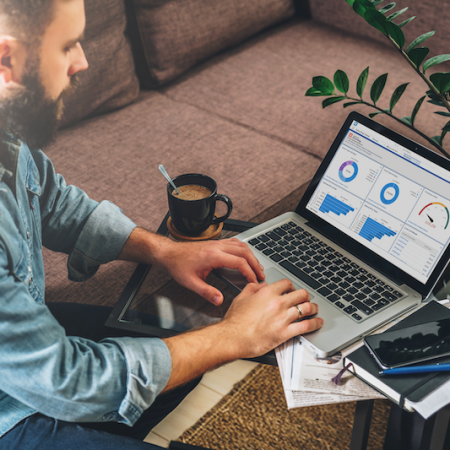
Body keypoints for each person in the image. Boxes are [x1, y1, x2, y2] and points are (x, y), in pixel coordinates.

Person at [0, 0, 324, 448]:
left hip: (23, 354)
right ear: (6, 60)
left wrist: (166, 250)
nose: (83, 62)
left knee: (180, 342)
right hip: (11, 412)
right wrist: (234, 336)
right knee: (202, 346)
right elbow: (72, 380)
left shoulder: (8, 133)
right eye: (69, 45)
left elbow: (53, 203)